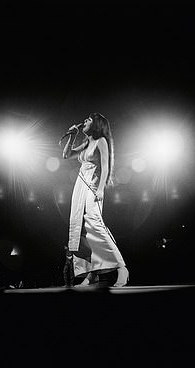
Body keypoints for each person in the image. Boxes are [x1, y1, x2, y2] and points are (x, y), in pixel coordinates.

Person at [61, 113, 129, 287]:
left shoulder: (101, 142)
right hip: (80, 184)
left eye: (88, 120)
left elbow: (106, 167)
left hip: (93, 184)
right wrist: (72, 135)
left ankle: (121, 267)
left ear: (96, 124)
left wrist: (100, 190)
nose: (84, 121)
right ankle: (92, 275)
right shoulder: (86, 143)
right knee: (79, 228)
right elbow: (66, 155)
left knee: (94, 221)